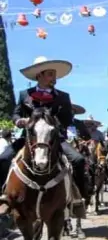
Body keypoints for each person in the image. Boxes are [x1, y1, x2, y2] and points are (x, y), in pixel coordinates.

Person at [0, 56, 89, 214]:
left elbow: (68, 119)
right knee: (4, 158)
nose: (54, 78)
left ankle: (79, 199)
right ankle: (4, 197)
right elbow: (15, 114)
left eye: (54, 74)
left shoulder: (63, 97)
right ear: (39, 75)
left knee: (78, 160)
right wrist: (19, 121)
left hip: (54, 138)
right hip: (28, 137)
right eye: (50, 74)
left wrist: (52, 124)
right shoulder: (24, 95)